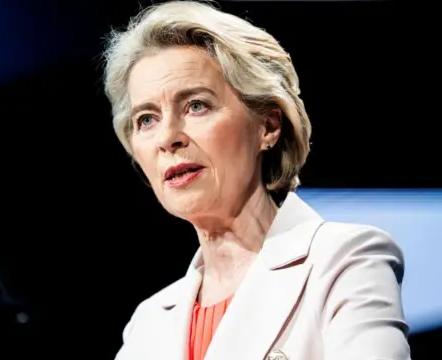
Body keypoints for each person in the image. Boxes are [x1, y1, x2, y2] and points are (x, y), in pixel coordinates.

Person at [102, 1, 410, 359]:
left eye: (196, 105)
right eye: (146, 119)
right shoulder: (148, 325)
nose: (168, 137)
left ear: (268, 126)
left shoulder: (345, 260)